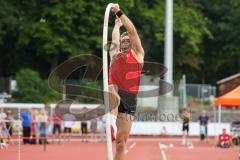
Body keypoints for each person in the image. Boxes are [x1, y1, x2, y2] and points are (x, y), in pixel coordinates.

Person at [108, 3, 144, 160]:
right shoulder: (115, 55)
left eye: (128, 39)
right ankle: (109, 120)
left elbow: (132, 31)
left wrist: (119, 13)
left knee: (121, 144)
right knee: (112, 88)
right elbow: (115, 38)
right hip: (113, 92)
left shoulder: (138, 54)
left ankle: (112, 124)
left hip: (129, 99)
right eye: (123, 39)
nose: (125, 40)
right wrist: (116, 25)